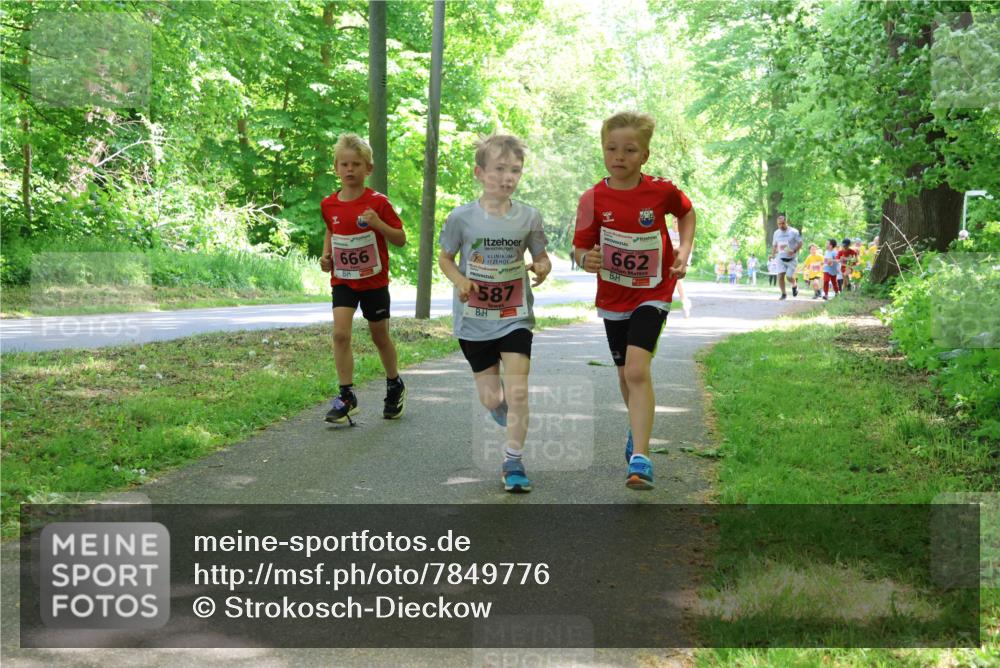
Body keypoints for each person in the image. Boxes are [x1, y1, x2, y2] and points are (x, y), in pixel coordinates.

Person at [573, 111, 695, 491]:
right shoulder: (592, 199)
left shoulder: (661, 190)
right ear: (602, 150)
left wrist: (683, 251)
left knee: (638, 370)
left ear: (645, 155)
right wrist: (586, 259)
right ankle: (636, 426)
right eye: (611, 148)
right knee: (625, 373)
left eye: (629, 150)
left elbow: (687, 213)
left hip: (653, 291)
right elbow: (580, 248)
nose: (619, 156)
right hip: (613, 295)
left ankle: (641, 458)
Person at [438, 134, 551, 493]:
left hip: (514, 315)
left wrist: (542, 266)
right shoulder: (461, 218)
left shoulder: (529, 216)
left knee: (518, 390)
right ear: (479, 172)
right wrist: (460, 280)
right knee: (492, 398)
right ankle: (497, 403)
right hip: (474, 319)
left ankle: (513, 461)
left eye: (514, 170)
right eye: (499, 169)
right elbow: (445, 258)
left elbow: (541, 255)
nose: (507, 177)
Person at [320, 134, 407, 424]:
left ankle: (394, 384)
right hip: (343, 279)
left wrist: (378, 223)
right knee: (340, 334)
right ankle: (346, 395)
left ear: (368, 169)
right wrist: (326, 256)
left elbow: (400, 239)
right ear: (336, 168)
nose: (350, 169)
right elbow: (331, 231)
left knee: (379, 336)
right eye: (344, 164)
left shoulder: (378, 203)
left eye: (356, 164)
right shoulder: (328, 204)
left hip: (373, 281)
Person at [769, 214, 803, 299]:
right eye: (779, 224)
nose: (781, 225)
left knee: (788, 277)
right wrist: (772, 255)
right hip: (780, 258)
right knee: (780, 276)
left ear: (786, 222)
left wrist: (794, 250)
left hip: (792, 259)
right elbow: (774, 245)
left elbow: (800, 243)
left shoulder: (794, 231)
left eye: (783, 223)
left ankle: (794, 284)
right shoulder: (776, 233)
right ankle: (783, 294)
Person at [668, 222, 692, 317]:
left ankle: (685, 303)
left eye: (678, 222)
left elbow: (688, 248)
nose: (676, 224)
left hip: (679, 261)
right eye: (674, 222)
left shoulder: (684, 233)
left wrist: (685, 263)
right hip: (668, 260)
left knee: (679, 282)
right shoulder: (668, 232)